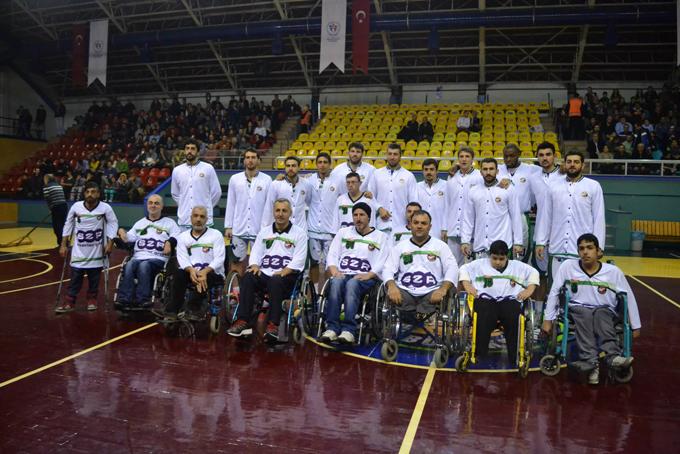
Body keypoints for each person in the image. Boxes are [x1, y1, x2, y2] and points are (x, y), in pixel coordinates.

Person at [542, 234, 641, 384]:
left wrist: (635, 325)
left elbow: (629, 297)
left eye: (589, 248)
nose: (585, 252)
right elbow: (555, 292)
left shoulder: (613, 272)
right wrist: (547, 319)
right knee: (585, 313)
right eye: (581, 249)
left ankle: (612, 357)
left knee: (601, 314)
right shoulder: (568, 266)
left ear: (598, 251)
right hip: (577, 308)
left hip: (605, 309)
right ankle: (592, 362)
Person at [227, 199, 308, 342]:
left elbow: (300, 259)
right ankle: (243, 321)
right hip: (265, 273)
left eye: (284, 211)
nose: (280, 214)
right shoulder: (264, 232)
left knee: (276, 280)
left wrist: (286, 270)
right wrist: (254, 265)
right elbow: (256, 253)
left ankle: (273, 325)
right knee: (248, 276)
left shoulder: (299, 234)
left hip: (286, 276)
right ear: (273, 212)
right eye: (277, 210)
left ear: (290, 213)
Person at [459, 240, 539, 366]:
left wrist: (530, 289)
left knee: (514, 317)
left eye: (501, 259)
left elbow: (534, 273)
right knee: (484, 315)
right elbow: (463, 269)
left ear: (507, 256)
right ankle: (479, 353)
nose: (497, 262)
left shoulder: (517, 266)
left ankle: (515, 356)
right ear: (490, 255)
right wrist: (467, 284)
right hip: (486, 300)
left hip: (509, 300)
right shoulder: (479, 264)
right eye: (494, 258)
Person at [321, 202, 389, 344]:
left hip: (366, 277)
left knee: (352, 284)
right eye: (355, 215)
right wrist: (334, 269)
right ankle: (332, 328)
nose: (358, 218)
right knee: (336, 281)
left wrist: (370, 274)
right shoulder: (343, 233)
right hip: (344, 273)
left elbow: (383, 260)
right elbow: (332, 254)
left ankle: (349, 330)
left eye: (362, 215)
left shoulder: (381, 237)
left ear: (369, 217)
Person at [534, 151, 605, 279]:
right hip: (557, 247)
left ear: (583, 165)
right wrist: (541, 242)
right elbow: (546, 216)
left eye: (576, 162)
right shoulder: (553, 186)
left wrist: (599, 245)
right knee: (555, 290)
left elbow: (599, 218)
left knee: (578, 292)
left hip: (582, 250)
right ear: (564, 164)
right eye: (569, 162)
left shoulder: (593, 186)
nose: (572, 165)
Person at [56, 182, 118, 313]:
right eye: (88, 192)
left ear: (98, 194)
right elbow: (68, 225)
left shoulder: (105, 208)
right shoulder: (76, 207)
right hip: (79, 250)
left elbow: (113, 224)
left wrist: (110, 242)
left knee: (94, 278)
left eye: (93, 192)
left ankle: (92, 299)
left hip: (96, 250)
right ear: (84, 193)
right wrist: (63, 245)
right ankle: (69, 302)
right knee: (75, 278)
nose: (90, 194)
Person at [382, 210, 459, 315]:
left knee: (447, 292)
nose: (419, 226)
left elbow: (452, 268)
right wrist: (392, 286)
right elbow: (388, 268)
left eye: (423, 223)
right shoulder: (400, 247)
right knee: (388, 289)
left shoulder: (441, 246)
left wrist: (443, 289)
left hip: (432, 292)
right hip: (405, 292)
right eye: (416, 222)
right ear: (410, 225)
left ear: (430, 227)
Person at [116, 195, 180, 309]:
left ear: (162, 206)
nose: (153, 205)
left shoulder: (169, 223)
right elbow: (128, 238)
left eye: (156, 203)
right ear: (147, 205)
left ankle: (143, 299)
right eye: (150, 203)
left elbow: (177, 236)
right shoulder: (140, 223)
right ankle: (124, 299)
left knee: (144, 265)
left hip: (158, 258)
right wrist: (121, 231)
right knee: (129, 264)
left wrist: (169, 242)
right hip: (139, 256)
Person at [164, 206, 226, 320]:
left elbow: (220, 258)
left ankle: (194, 308)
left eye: (202, 217)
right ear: (191, 218)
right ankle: (173, 309)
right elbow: (182, 258)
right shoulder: (183, 237)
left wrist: (205, 272)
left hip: (213, 273)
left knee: (204, 278)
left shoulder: (216, 235)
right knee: (178, 274)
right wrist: (191, 270)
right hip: (191, 271)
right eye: (195, 216)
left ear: (207, 220)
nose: (198, 219)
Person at [461, 158, 523, 259]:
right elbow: (468, 219)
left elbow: (516, 216)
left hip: (503, 245)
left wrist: (518, 242)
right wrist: (465, 241)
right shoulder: (473, 191)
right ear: (481, 172)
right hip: (480, 246)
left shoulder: (508, 189)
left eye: (491, 169)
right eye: (485, 169)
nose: (488, 172)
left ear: (497, 171)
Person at [224, 149, 272, 276]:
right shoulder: (235, 179)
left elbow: (269, 206)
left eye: (253, 157)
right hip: (239, 228)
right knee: (236, 261)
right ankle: (235, 290)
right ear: (244, 160)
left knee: (259, 262)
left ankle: (257, 290)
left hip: (259, 229)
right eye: (247, 157)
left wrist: (267, 228)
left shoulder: (267, 180)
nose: (250, 160)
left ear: (258, 160)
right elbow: (231, 203)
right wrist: (228, 226)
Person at [497, 144, 540, 260]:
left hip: (521, 216)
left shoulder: (531, 169)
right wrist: (456, 168)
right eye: (505, 156)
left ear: (519, 154)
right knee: (502, 248)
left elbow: (549, 171)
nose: (508, 159)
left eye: (512, 156)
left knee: (521, 249)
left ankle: (520, 272)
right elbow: (477, 175)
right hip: (502, 217)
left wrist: (561, 167)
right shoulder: (497, 169)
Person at [368, 142, 417, 235]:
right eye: (390, 154)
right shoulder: (376, 174)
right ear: (386, 155)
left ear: (400, 156)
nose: (392, 157)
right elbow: (370, 197)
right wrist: (379, 208)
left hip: (401, 226)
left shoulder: (408, 176)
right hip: (380, 226)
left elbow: (414, 202)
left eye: (395, 154)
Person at [171, 139, 222, 230]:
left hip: (204, 219)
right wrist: (184, 205)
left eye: (193, 149)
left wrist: (207, 207)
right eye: (187, 148)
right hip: (184, 220)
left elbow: (216, 192)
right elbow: (175, 194)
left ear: (198, 152)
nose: (189, 151)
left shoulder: (208, 168)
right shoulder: (177, 170)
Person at [529, 142, 564, 275]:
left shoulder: (564, 175)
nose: (545, 158)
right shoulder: (533, 178)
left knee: (559, 273)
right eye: (541, 155)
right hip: (540, 231)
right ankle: (540, 297)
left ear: (555, 156)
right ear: (537, 157)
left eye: (548, 154)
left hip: (561, 231)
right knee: (539, 272)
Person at [445, 146, 483, 265]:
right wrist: (445, 227)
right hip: (453, 229)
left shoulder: (479, 176)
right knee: (453, 265)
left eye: (467, 156)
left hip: (472, 230)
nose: (464, 159)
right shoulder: (451, 176)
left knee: (470, 265)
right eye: (461, 156)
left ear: (473, 160)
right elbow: (447, 203)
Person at [306, 153, 340, 286]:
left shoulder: (337, 181)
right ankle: (314, 291)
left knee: (329, 263)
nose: (322, 165)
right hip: (313, 228)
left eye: (325, 162)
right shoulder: (309, 181)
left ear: (330, 164)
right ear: (316, 164)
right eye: (319, 162)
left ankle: (327, 290)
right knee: (314, 262)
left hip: (330, 229)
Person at [261, 156, 312, 229]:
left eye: (293, 166)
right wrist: (264, 229)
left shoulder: (306, 184)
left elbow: (310, 202)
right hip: (282, 229)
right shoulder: (276, 184)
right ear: (285, 168)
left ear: (299, 167)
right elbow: (269, 208)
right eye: (288, 166)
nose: (290, 168)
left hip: (301, 228)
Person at [416, 158, 448, 242]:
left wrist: (445, 227)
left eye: (431, 169)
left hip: (440, 229)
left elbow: (449, 209)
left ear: (437, 171)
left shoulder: (446, 185)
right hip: (421, 229)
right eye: (426, 169)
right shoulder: (417, 187)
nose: (428, 172)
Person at [42, 174, 67, 247]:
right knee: (62, 225)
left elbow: (48, 199)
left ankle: (61, 244)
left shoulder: (46, 187)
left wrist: (50, 209)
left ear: (47, 179)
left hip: (56, 207)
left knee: (57, 227)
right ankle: (65, 242)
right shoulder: (58, 185)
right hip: (64, 206)